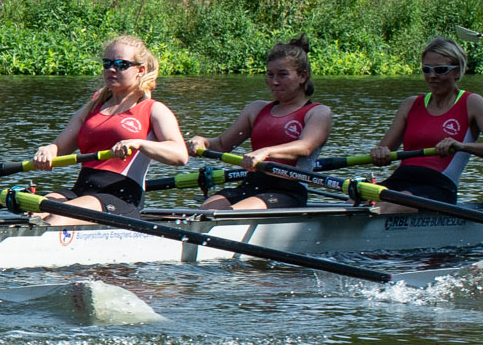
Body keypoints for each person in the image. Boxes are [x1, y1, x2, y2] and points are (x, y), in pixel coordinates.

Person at [27, 34, 189, 220]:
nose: (111, 69)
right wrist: (47, 150)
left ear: (141, 70)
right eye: (107, 63)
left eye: (121, 65)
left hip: (121, 197)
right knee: (33, 212)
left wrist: (139, 144)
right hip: (82, 191)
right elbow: (59, 147)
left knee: (58, 217)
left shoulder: (153, 110)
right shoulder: (91, 108)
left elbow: (180, 155)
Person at [365, 36, 483, 210]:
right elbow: (385, 151)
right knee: (357, 200)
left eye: (440, 70)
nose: (432, 76)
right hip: (400, 179)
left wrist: (461, 146)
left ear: (457, 72)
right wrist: (379, 152)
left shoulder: (472, 103)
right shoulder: (411, 104)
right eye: (426, 69)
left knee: (392, 204)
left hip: (439, 186)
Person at [188, 37, 332, 209]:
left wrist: (265, 152)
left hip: (288, 191)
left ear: (302, 76)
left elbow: (305, 147)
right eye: (270, 75)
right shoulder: (255, 110)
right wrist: (201, 141)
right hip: (250, 185)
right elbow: (221, 145)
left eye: (283, 74)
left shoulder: (318, 112)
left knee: (230, 214)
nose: (275, 82)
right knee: (205, 212)